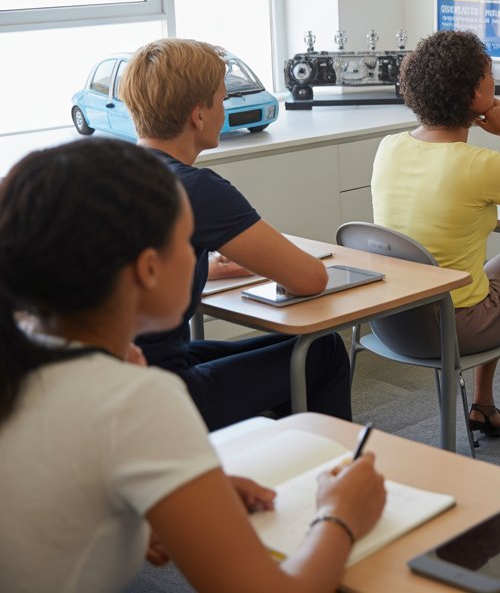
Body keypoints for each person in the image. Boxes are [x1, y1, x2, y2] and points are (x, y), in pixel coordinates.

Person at [0, 138, 386, 592]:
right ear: (148, 269)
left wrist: (173, 495)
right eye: (191, 244)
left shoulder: (24, 355)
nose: (202, 257)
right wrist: (340, 514)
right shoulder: (137, 399)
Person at [121, 38, 351, 430]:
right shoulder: (195, 189)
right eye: (221, 100)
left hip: (114, 381)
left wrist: (210, 269)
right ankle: (326, 475)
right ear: (198, 115)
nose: (224, 110)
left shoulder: (111, 170)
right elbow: (310, 279)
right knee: (322, 351)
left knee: (293, 350)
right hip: (160, 394)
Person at [371, 30, 500, 438]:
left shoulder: (389, 146)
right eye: (488, 75)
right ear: (471, 95)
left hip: (390, 319)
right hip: (451, 324)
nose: (493, 80)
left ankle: (484, 405)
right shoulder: (481, 164)